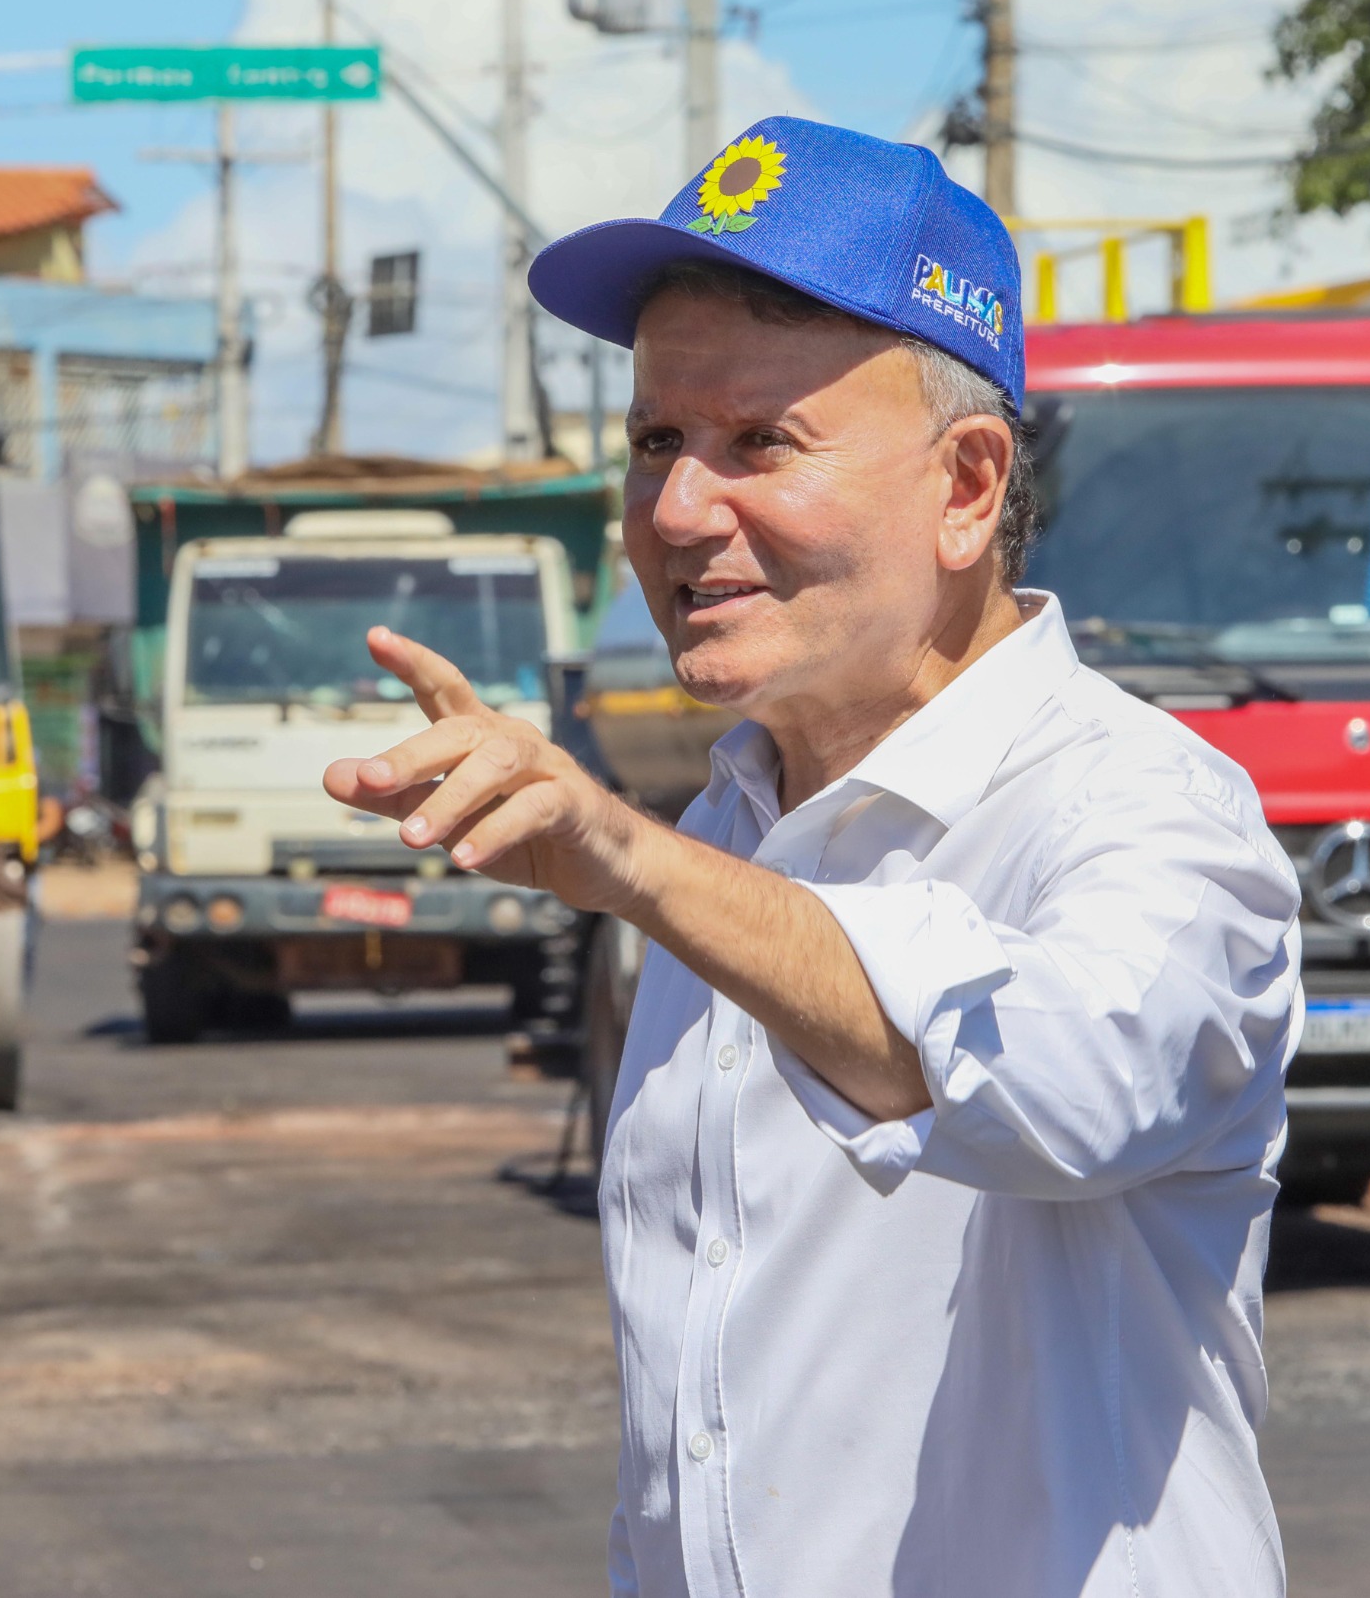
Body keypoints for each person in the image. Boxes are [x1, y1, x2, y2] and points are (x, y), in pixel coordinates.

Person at [324, 116, 1300, 1597]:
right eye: (657, 439)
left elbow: (1053, 1087)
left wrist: (627, 860)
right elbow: (691, 1427)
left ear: (969, 486)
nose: (674, 513)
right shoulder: (721, 828)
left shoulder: (1147, 812)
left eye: (759, 442)